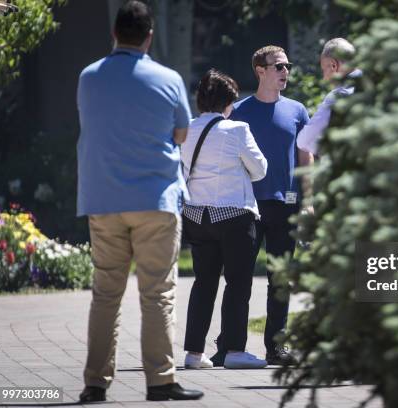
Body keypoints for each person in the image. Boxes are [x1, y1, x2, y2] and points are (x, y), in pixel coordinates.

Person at [76, 1, 202, 402]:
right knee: (158, 293)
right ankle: (161, 381)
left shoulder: (88, 77)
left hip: (104, 198)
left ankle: (95, 383)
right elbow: (182, 133)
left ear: (114, 33)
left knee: (105, 294)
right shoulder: (168, 79)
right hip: (155, 200)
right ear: (149, 36)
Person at [214, 45, 312, 366]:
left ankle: (277, 347)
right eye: (279, 67)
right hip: (247, 207)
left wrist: (308, 201)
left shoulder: (297, 110)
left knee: (280, 280)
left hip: (287, 205)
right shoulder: (239, 111)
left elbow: (305, 158)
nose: (285, 72)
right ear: (260, 71)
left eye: (287, 67)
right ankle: (230, 346)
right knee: (239, 277)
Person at [181, 69, 268, 370]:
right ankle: (233, 351)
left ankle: (193, 353)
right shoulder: (237, 129)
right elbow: (260, 169)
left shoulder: (187, 129)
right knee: (237, 283)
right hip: (233, 215)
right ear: (228, 102)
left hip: (196, 215)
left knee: (203, 283)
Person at [296, 38, 361, 156]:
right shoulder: (378, 83)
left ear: (333, 65)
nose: (325, 78)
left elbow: (304, 141)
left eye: (323, 70)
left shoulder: (339, 96)